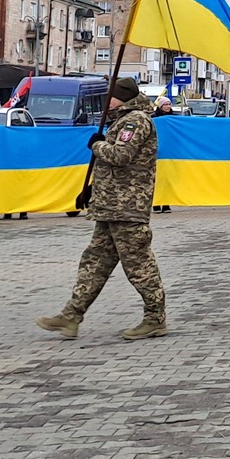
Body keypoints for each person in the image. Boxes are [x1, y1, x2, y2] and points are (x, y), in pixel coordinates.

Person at [36, 76, 168, 341]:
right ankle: (72, 315)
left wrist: (97, 144)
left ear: (123, 98)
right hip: (110, 207)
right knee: (94, 263)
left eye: (112, 96)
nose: (107, 102)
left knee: (138, 264)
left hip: (127, 208)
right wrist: (92, 191)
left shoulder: (135, 121)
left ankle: (155, 318)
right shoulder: (120, 120)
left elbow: (120, 157)